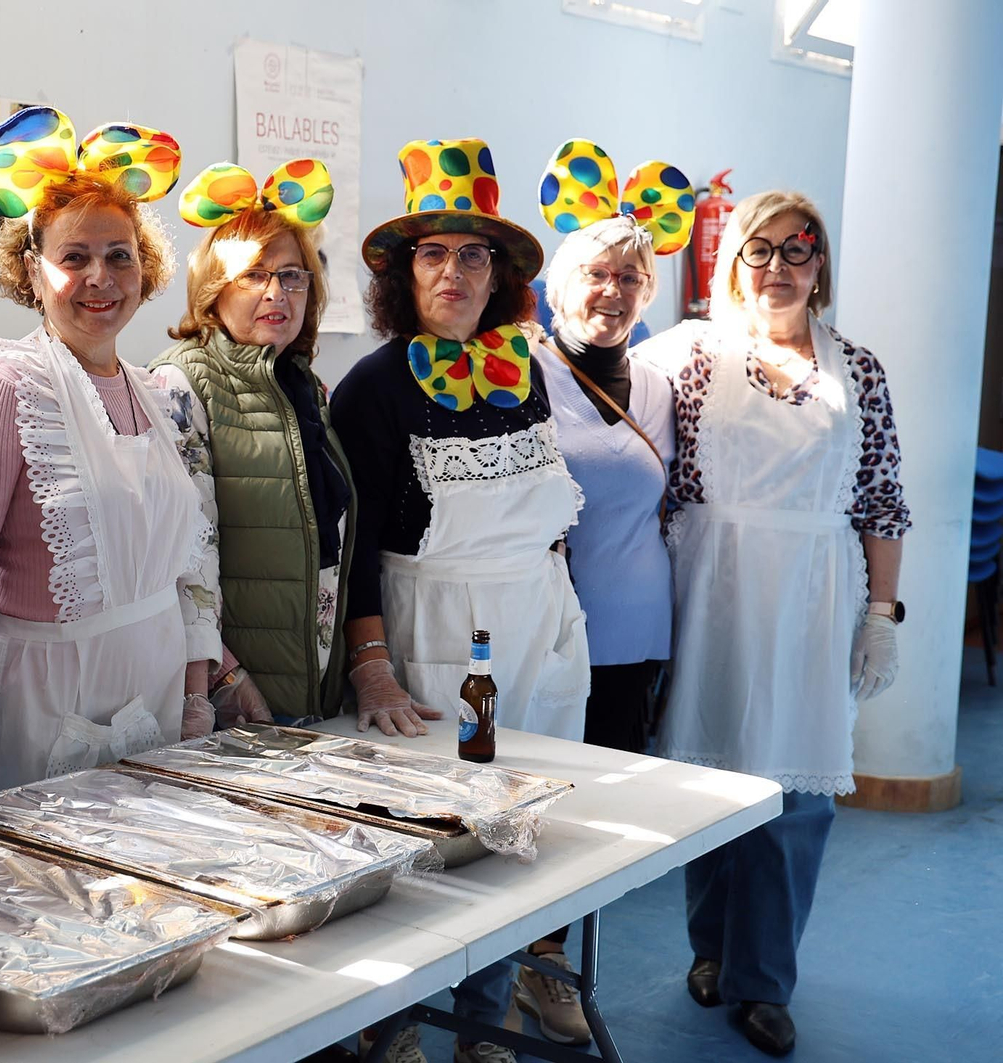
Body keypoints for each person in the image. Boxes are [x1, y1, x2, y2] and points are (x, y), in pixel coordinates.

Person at [329, 137, 588, 1063]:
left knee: (523, 841)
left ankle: (485, 1021)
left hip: (538, 632)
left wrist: (561, 621)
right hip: (435, 633)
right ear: (403, 274)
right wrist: (371, 666)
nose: (454, 272)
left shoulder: (527, 373)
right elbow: (353, 549)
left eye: (473, 253)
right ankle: (395, 1026)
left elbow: (548, 519)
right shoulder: (372, 386)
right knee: (432, 849)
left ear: (500, 274)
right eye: (432, 253)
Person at [634, 190, 909, 1057]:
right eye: (761, 250)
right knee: (708, 779)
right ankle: (711, 949)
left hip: (814, 599)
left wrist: (882, 614)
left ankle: (765, 980)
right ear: (732, 262)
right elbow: (645, 476)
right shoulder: (687, 358)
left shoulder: (857, 370)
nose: (779, 267)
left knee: (793, 799)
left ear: (820, 266)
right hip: (709, 592)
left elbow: (882, 500)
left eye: (799, 250)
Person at [0, 107, 217, 809]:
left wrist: (201, 687)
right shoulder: (5, 392)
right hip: (45, 704)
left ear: (144, 266)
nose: (100, 277)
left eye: (119, 255)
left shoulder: (160, 392)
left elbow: (187, 560)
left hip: (156, 696)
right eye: (73, 257)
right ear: (32, 269)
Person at [502, 141, 693, 1048]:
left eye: (629, 277)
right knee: (521, 805)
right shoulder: (519, 370)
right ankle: (503, 969)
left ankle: (551, 970)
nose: (611, 291)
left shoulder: (658, 384)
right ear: (558, 281)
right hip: (538, 627)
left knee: (592, 818)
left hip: (632, 627)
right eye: (594, 273)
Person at [149, 159, 354, 725]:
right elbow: (181, 557)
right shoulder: (179, 381)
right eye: (253, 274)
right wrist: (224, 676)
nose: (276, 292)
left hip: (316, 691)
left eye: (292, 276)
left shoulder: (304, 385)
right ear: (215, 290)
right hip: (234, 696)